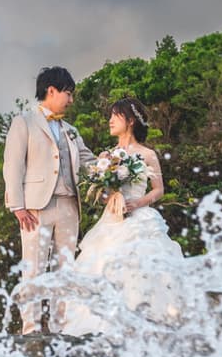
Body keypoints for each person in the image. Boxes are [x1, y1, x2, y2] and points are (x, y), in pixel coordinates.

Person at [60, 97, 186, 334]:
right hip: (111, 221)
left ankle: (145, 326)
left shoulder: (147, 154)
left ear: (129, 120)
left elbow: (159, 189)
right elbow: (101, 190)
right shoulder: (106, 156)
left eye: (114, 116)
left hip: (139, 218)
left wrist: (138, 202)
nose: (109, 121)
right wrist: (109, 197)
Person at [2, 66, 96, 332]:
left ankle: (60, 328)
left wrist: (114, 166)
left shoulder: (71, 129)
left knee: (65, 270)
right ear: (51, 90)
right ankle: (30, 328)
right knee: (34, 268)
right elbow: (13, 165)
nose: (71, 100)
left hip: (69, 205)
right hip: (35, 208)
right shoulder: (24, 122)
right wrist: (18, 207)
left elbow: (88, 160)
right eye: (68, 93)